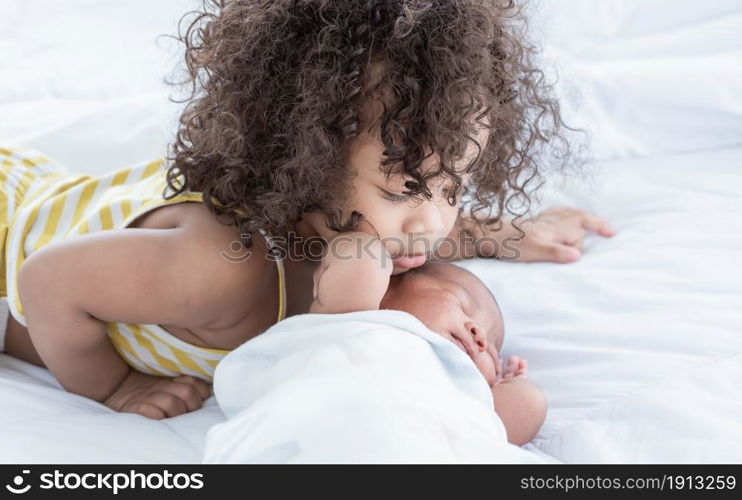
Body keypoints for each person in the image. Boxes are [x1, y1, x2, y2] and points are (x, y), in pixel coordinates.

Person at [0, 0, 614, 419]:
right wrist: (114, 388)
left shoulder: (371, 236)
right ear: (303, 160)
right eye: (404, 190)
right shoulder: (220, 269)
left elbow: (420, 233)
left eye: (454, 188)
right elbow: (45, 279)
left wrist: (506, 233)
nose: (433, 223)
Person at [310, 235, 545, 445]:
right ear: (387, 286)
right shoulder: (346, 319)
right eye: (463, 304)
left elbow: (492, 434)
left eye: (492, 352)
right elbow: (359, 255)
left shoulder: (459, 400)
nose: (480, 335)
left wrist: (517, 393)